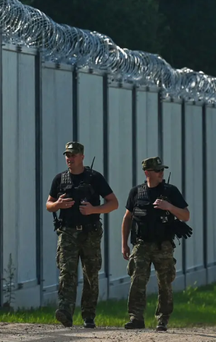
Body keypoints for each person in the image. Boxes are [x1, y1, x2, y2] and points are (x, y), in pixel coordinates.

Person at [46, 141, 118, 328]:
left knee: (90, 274)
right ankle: (65, 311)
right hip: (68, 232)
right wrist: (58, 205)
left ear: (82, 156)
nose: (69, 159)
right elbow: (48, 205)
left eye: (73, 155)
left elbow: (113, 203)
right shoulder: (60, 179)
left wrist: (94, 209)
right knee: (66, 272)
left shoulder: (94, 178)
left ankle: (88, 315)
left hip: (90, 233)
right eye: (67, 155)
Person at [121, 156, 190, 331]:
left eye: (162, 170)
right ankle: (136, 317)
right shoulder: (136, 192)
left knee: (165, 283)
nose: (161, 173)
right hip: (142, 245)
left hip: (163, 245)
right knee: (137, 280)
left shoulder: (170, 192)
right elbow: (127, 218)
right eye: (158, 170)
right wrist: (124, 244)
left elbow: (186, 215)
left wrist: (169, 207)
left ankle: (163, 319)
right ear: (147, 172)